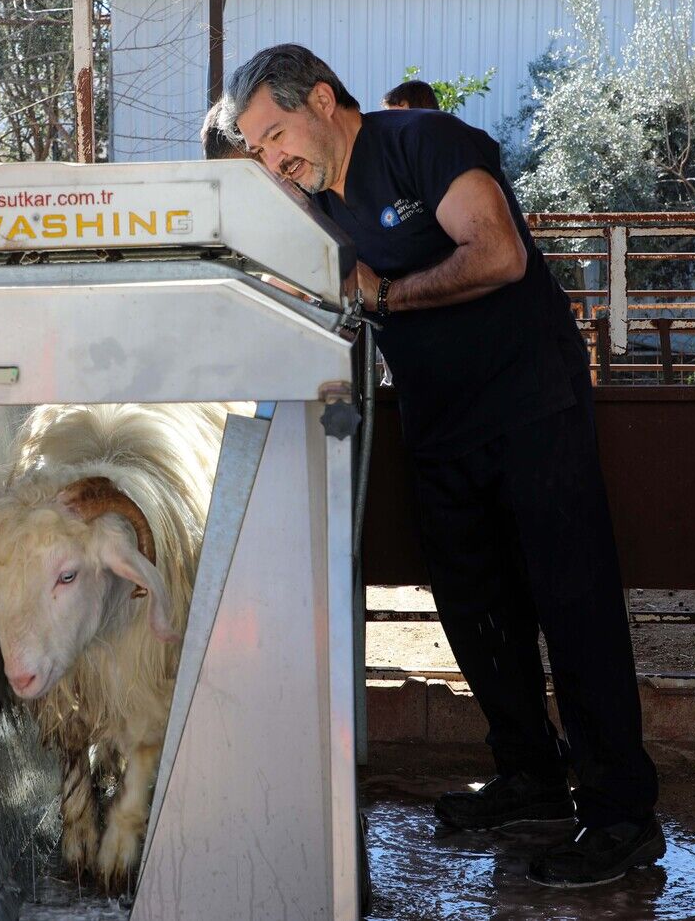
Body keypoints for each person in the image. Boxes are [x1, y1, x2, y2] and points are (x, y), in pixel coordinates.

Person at [224, 43, 662, 889]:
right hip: (437, 419)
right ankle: (530, 777)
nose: (271, 157)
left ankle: (619, 816)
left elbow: (498, 255)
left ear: (321, 99)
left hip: (531, 407)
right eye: (256, 148)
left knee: (571, 608)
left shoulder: (421, 141)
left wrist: (383, 296)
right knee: (475, 612)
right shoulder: (316, 195)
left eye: (275, 133)